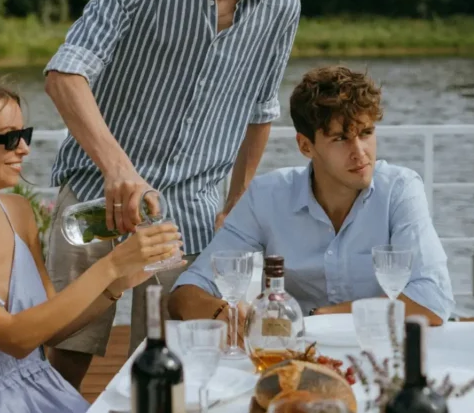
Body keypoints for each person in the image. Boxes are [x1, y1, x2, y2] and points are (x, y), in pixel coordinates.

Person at [40, 0, 309, 387]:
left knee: (177, 367)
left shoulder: (282, 8)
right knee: (67, 358)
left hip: (186, 218)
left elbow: (260, 110)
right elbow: (65, 74)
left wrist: (237, 203)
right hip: (95, 199)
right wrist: (117, 168)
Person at [0, 76, 182, 413]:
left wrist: (118, 284)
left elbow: (51, 332)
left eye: (24, 134)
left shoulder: (18, 212)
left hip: (45, 390)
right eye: (9, 138)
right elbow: (15, 338)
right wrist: (110, 266)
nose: (24, 148)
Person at [168, 65, 455, 329]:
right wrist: (223, 314)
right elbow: (186, 293)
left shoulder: (400, 189)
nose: (360, 153)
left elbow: (432, 299)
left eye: (366, 133)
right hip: (296, 351)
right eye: (340, 139)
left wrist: (322, 317)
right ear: (305, 146)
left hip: (381, 347)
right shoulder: (266, 196)